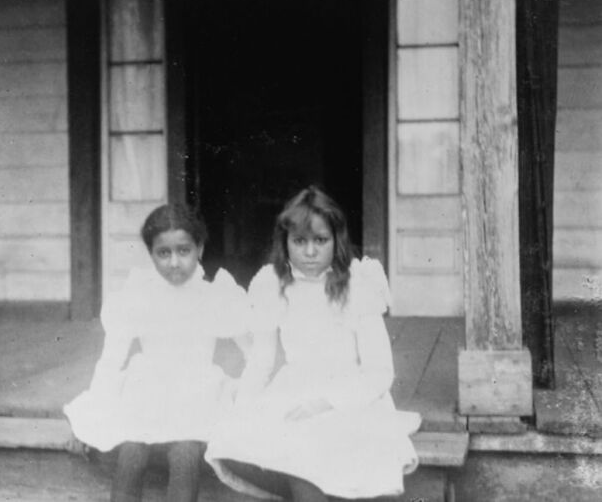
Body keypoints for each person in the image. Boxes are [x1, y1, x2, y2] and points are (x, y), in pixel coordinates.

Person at [205, 186, 421, 501]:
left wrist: (325, 402)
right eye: (299, 241)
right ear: (285, 242)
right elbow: (262, 362)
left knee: (316, 449)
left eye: (320, 241)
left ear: (337, 240)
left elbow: (379, 372)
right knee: (255, 443)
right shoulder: (273, 285)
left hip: (349, 396)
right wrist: (243, 410)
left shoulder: (357, 286)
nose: (309, 252)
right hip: (293, 389)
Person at [64, 203, 251, 502]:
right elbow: (111, 362)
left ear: (199, 248)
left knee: (185, 452)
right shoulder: (137, 296)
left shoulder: (216, 296)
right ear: (151, 254)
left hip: (197, 394)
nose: (174, 262)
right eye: (163, 253)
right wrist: (92, 419)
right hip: (147, 393)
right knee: (132, 452)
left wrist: (257, 405)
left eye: (183, 251)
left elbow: (254, 355)